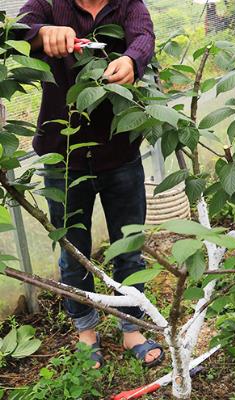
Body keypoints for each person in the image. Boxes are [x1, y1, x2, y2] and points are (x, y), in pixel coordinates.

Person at [18, 0, 163, 369]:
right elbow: (18, 27)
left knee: (128, 247)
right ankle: (86, 328)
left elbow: (144, 35)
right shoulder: (49, 4)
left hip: (120, 153)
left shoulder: (127, 4)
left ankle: (132, 327)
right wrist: (41, 34)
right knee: (73, 250)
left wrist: (131, 60)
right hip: (63, 155)